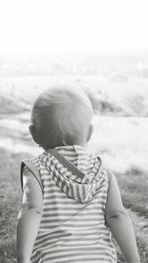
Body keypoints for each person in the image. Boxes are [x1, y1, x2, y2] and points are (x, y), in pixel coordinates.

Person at [16, 86, 140, 263]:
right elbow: (117, 215)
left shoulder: (36, 168)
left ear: (33, 133)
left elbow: (31, 210)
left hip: (54, 258)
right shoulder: (102, 169)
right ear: (89, 133)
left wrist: (23, 259)